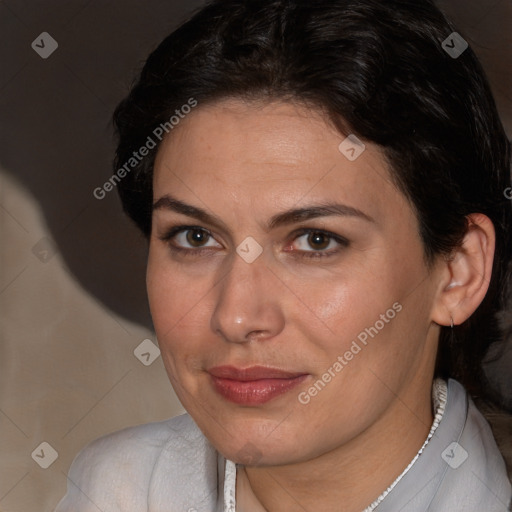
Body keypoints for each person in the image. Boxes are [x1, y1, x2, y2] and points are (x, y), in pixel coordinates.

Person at [55, 0, 512, 510]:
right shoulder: (113, 489)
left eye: (316, 241)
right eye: (195, 237)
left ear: (458, 272)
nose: (235, 316)